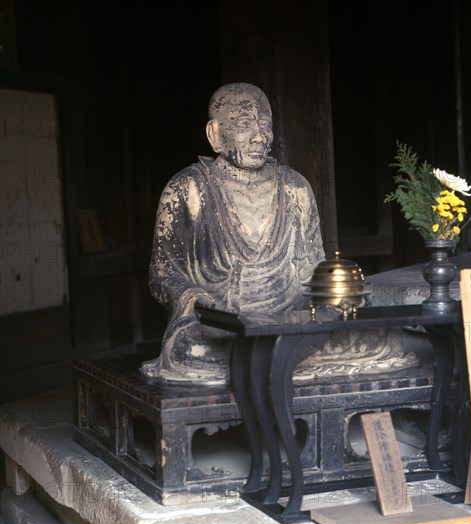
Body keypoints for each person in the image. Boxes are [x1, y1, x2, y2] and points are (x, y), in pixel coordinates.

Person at [141, 83, 417, 386]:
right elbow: (162, 274)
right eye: (245, 125)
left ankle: (271, 363)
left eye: (265, 125)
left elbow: (313, 271)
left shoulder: (295, 187)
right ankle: (271, 363)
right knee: (190, 350)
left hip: (292, 322)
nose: (260, 137)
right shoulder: (187, 188)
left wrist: (333, 298)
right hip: (222, 327)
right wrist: (194, 299)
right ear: (215, 134)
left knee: (381, 338)